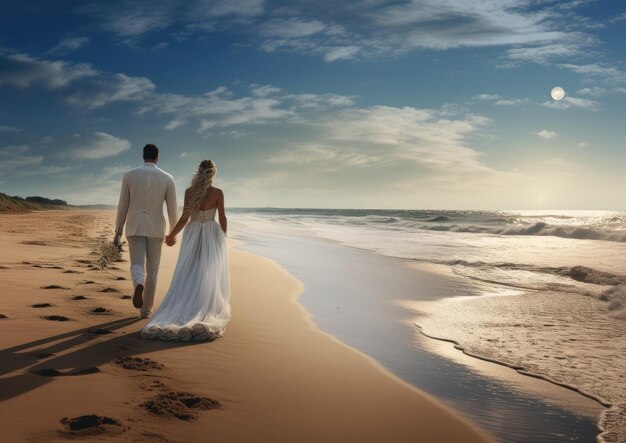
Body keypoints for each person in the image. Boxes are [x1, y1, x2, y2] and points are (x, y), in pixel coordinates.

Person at [140, 159, 230, 342]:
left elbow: (184, 218)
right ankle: (202, 304)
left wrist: (171, 235)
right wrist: (223, 237)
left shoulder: (190, 192)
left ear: (198, 172)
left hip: (193, 231)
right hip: (212, 233)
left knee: (190, 268)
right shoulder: (218, 192)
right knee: (207, 270)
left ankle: (187, 302)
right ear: (213, 174)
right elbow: (222, 217)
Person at [114, 144, 178, 319]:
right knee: (153, 269)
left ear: (143, 156)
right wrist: (173, 232)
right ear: (157, 157)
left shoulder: (129, 176)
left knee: (136, 263)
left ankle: (138, 283)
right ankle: (146, 310)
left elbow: (123, 206)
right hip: (156, 228)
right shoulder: (167, 178)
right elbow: (172, 209)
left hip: (134, 225)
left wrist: (118, 231)